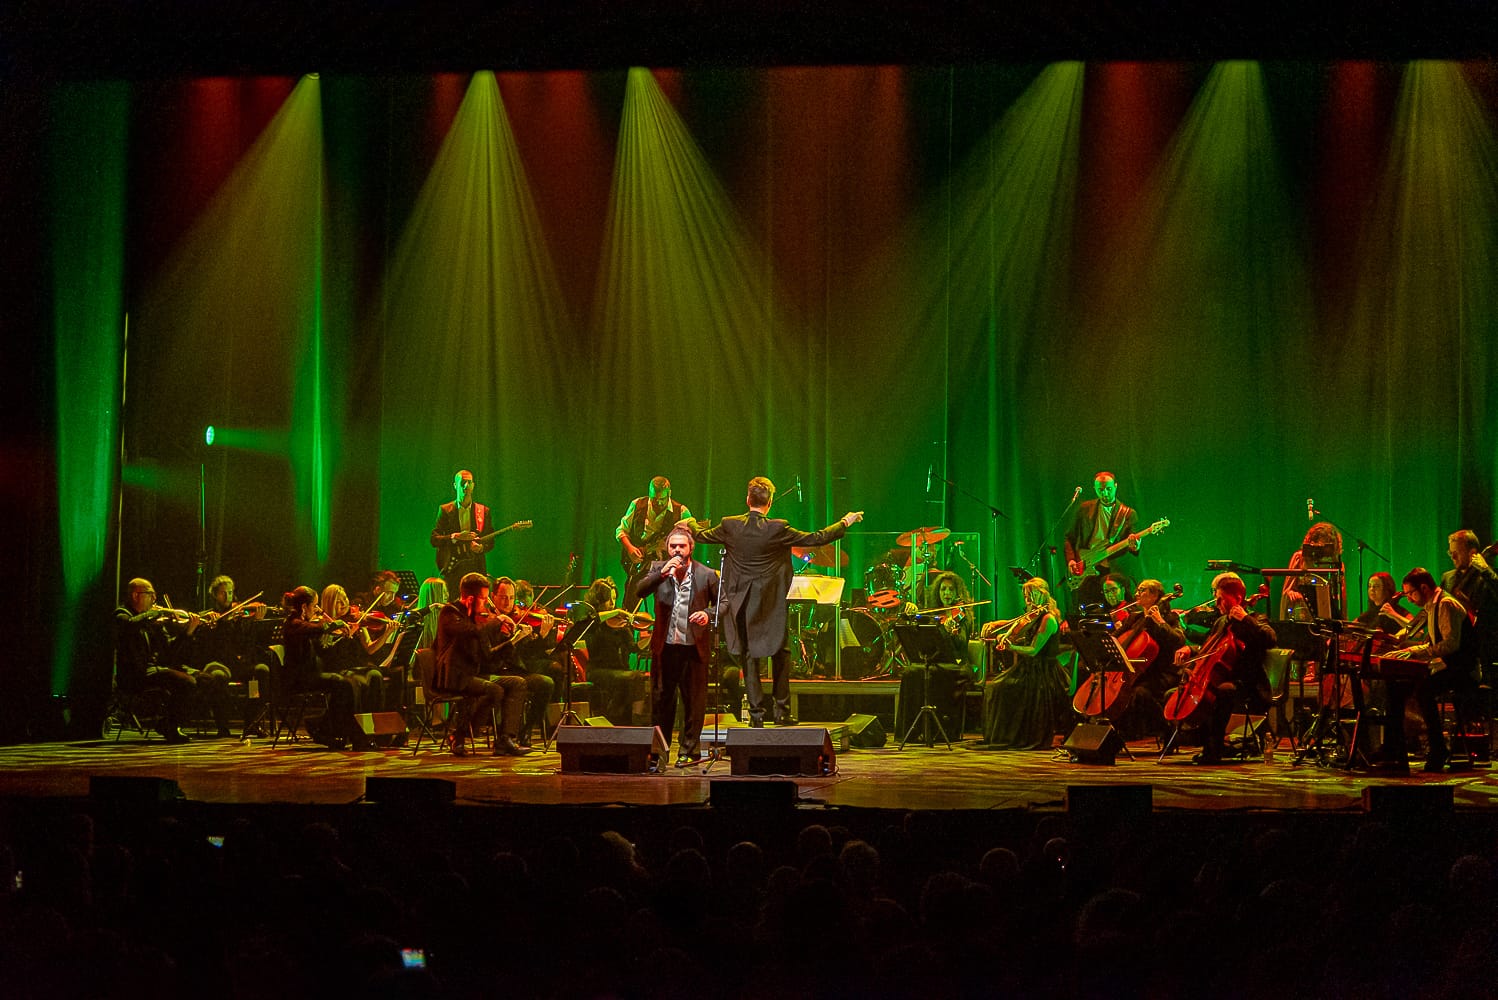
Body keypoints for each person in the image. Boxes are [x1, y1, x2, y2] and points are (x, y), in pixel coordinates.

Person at [692, 476, 863, 727]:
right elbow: (816, 538)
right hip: (770, 602)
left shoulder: (729, 525)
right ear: (769, 502)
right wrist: (844, 522)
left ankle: (756, 716)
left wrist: (689, 522)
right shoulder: (778, 527)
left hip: (741, 603)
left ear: (747, 499)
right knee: (781, 653)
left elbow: (701, 536)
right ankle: (782, 712)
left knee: (749, 657)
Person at [635, 524, 720, 766]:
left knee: (693, 702)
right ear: (667, 549)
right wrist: (662, 572)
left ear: (691, 548)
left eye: (681, 546)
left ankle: (689, 751)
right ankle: (659, 751)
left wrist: (707, 614)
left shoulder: (706, 574)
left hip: (694, 648)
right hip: (666, 647)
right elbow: (640, 592)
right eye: (673, 546)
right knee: (662, 700)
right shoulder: (657, 569)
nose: (677, 551)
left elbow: (723, 604)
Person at [1171, 571, 1277, 765]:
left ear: (1237, 598)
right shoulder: (1221, 621)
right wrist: (1190, 650)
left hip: (1248, 685)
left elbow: (1270, 639)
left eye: (1220, 599)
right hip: (1220, 679)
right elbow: (1209, 648)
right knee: (1175, 693)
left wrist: (1245, 619)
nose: (1216, 604)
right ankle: (1197, 741)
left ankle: (1214, 750)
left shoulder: (1256, 618)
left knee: (1221, 692)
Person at [1384, 567, 1480, 772]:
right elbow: (1433, 643)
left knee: (1424, 691)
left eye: (1410, 593)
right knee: (1397, 687)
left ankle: (1438, 749)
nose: (1408, 598)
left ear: (1424, 588)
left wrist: (1416, 653)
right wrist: (1410, 650)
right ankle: (1393, 748)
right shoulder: (1433, 605)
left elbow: (1451, 645)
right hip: (1450, 665)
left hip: (1464, 670)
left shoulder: (1445, 604)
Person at [433, 573, 530, 756]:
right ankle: (459, 734)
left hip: (474, 674)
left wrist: (513, 641)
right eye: (484, 599)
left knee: (517, 683)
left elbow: (488, 656)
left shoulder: (479, 620)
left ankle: (505, 739)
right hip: (455, 676)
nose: (486, 605)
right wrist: (495, 622)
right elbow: (466, 631)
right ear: (470, 599)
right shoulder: (450, 613)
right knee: (494, 690)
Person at [980, 576, 1067, 749]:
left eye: (1031, 594)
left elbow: (1034, 650)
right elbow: (1019, 623)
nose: (1027, 600)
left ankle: (1012, 735)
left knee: (1001, 687)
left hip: (1042, 672)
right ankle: (1000, 736)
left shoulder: (1048, 619)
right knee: (993, 686)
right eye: (1026, 596)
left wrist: (1011, 646)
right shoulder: (1034, 615)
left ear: (1042, 595)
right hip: (1028, 668)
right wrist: (997, 624)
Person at [114, 578, 200, 743]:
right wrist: (154, 614)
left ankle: (168, 723)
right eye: (150, 594)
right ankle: (168, 725)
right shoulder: (122, 615)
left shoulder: (152, 623)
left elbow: (169, 650)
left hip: (150, 671)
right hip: (133, 676)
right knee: (186, 681)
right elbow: (129, 626)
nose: (154, 599)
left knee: (197, 681)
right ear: (135, 595)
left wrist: (187, 633)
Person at [894, 571, 975, 743]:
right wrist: (912, 613)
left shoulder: (963, 615)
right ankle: (912, 730)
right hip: (935, 662)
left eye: (951, 590)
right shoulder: (935, 614)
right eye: (943, 589)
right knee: (910, 673)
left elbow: (961, 645)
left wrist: (950, 631)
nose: (946, 593)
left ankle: (937, 730)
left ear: (957, 592)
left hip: (957, 665)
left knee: (930, 675)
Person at [279, 586, 361, 750]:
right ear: (304, 607)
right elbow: (315, 629)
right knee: (343, 684)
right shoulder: (293, 624)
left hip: (310, 674)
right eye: (315, 605)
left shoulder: (302, 623)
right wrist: (334, 624)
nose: (318, 609)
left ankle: (329, 727)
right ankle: (325, 728)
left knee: (348, 683)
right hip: (299, 679)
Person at [193, 574, 273, 737]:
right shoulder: (209, 617)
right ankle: (223, 726)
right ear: (215, 595)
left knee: (261, 671)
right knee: (218, 676)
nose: (228, 596)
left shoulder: (239, 616)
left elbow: (246, 643)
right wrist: (220, 624)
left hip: (240, 665)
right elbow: (209, 647)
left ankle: (251, 722)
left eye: (230, 592)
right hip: (220, 663)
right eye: (223, 593)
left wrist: (255, 623)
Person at [1109, 579, 1186, 741]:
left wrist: (1160, 621)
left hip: (1162, 672)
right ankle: (1120, 733)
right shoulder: (1135, 618)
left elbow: (1178, 641)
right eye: (1137, 590)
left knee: (1139, 692)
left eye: (1142, 590)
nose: (1136, 594)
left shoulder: (1170, 617)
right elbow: (1114, 639)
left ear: (1154, 595)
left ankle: (1166, 729)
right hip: (1140, 671)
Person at [488, 576, 557, 746]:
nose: (508, 603)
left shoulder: (517, 618)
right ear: (493, 596)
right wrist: (514, 639)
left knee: (546, 683)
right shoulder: (488, 620)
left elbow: (527, 654)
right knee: (518, 683)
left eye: (511, 598)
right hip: (494, 670)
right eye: (503, 598)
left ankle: (526, 730)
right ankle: (506, 734)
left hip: (515, 669)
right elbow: (491, 653)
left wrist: (541, 636)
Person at [576, 577, 649, 725]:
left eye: (615, 599)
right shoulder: (590, 621)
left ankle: (631, 719)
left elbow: (634, 648)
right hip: (598, 670)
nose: (613, 604)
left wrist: (651, 638)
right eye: (609, 599)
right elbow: (594, 621)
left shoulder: (620, 623)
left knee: (636, 677)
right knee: (632, 677)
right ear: (598, 600)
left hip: (619, 670)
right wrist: (616, 612)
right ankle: (633, 721)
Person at [1064, 472, 1141, 609]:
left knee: (1118, 609)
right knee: (1087, 608)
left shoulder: (1128, 513)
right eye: (1100, 490)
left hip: (1113, 570)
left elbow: (1133, 543)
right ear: (1095, 489)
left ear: (1116, 487)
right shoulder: (1084, 509)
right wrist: (1071, 559)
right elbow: (1070, 537)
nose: (1105, 493)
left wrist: (1135, 546)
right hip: (1087, 565)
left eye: (1109, 489)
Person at [616, 476, 694, 599]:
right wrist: (630, 548)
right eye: (654, 498)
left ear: (669, 493)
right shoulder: (637, 504)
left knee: (665, 602)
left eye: (662, 499)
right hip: (639, 562)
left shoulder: (682, 512)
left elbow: (689, 541)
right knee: (632, 597)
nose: (658, 503)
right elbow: (621, 530)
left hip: (665, 564)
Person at [1441, 529, 1498, 679]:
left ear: (1472, 553)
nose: (1452, 556)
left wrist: (1486, 570)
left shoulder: (1488, 576)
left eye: (1457, 552)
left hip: (1479, 647)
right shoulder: (1448, 578)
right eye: (1450, 552)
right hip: (1451, 646)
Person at [431, 470, 494, 598]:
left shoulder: (483, 511)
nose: (466, 486)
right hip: (453, 569)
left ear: (473, 485)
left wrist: (481, 548)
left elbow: (491, 541)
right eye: (463, 482)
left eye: (469, 482)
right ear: (455, 485)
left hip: (476, 567)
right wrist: (454, 537)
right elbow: (434, 539)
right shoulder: (445, 510)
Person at [1278, 521, 1347, 621]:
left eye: (1326, 542)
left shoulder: (1335, 563)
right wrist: (1293, 593)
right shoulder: (1300, 557)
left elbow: (1342, 597)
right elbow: (1288, 588)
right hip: (1303, 612)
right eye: (1318, 541)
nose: (1321, 545)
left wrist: (1343, 622)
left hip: (1328, 612)